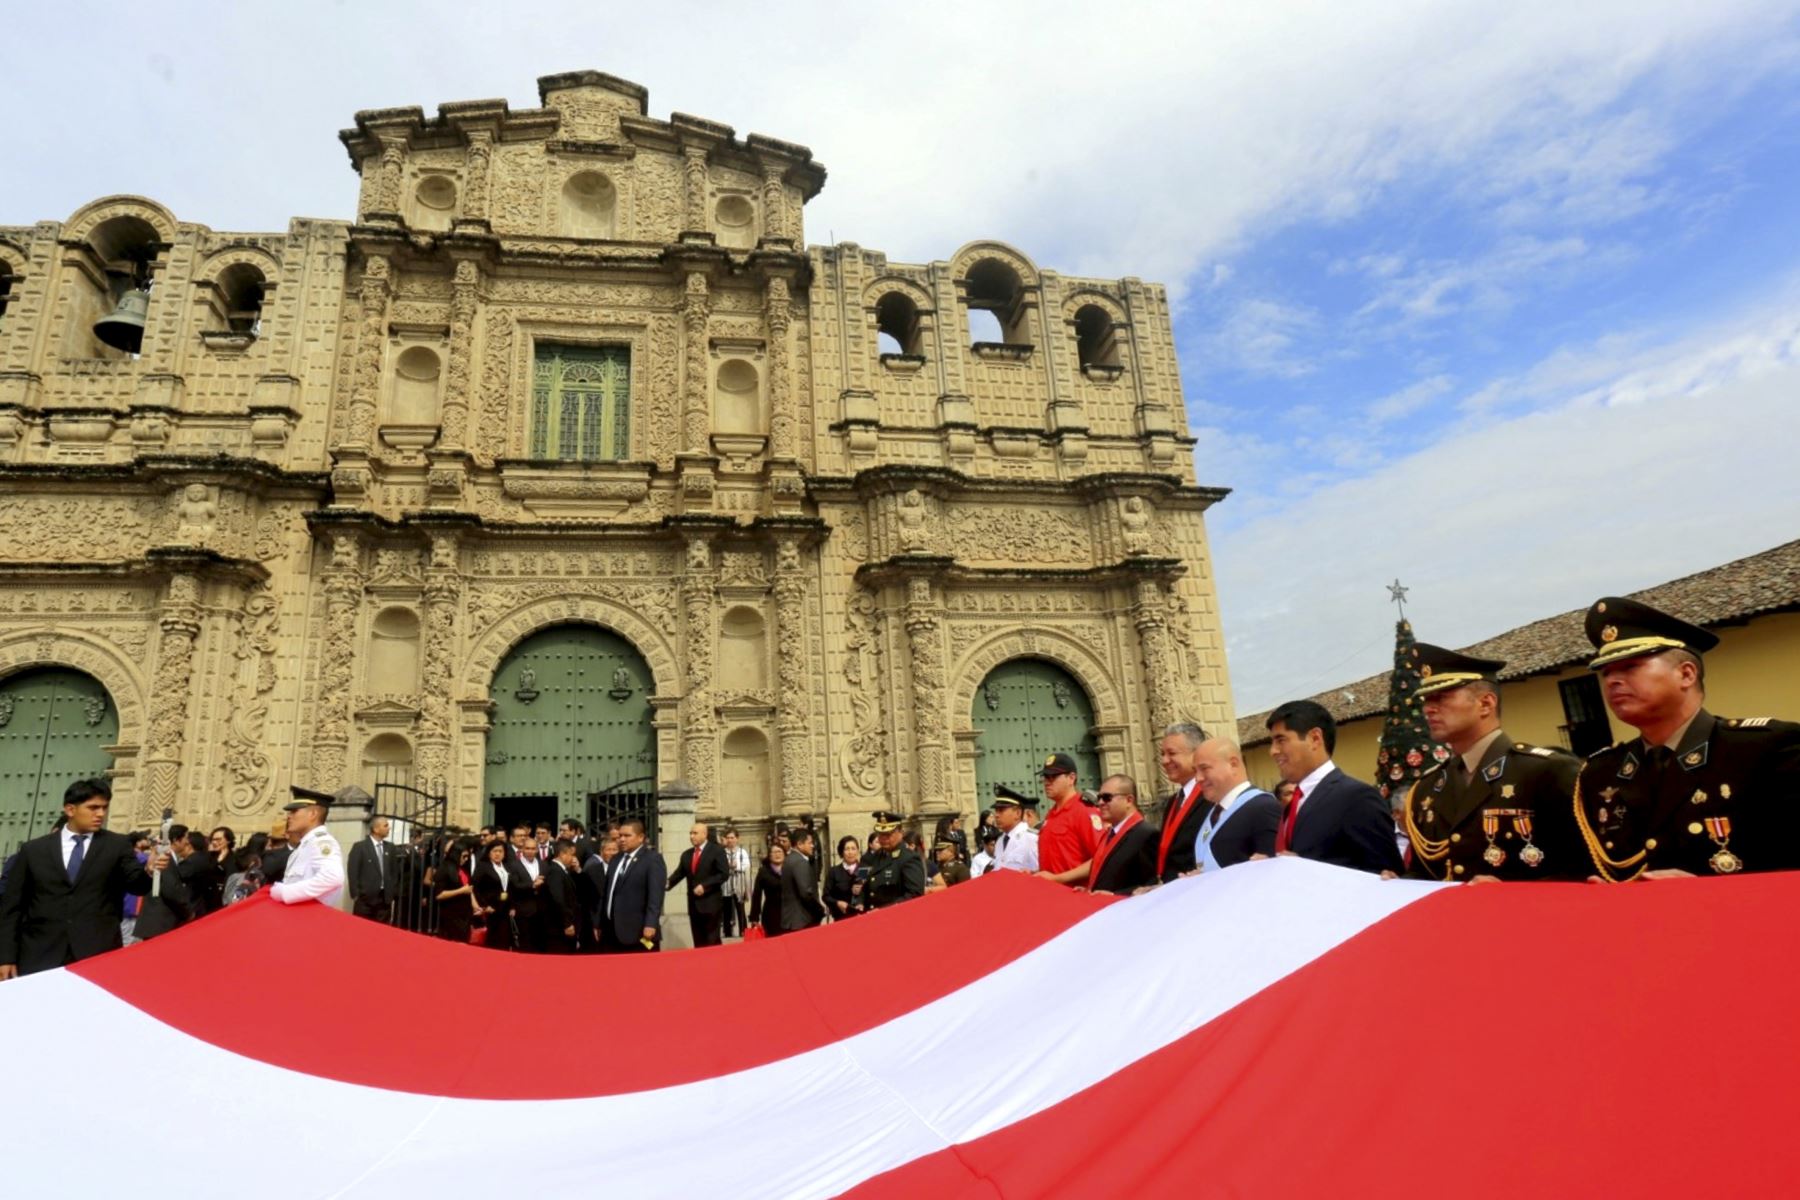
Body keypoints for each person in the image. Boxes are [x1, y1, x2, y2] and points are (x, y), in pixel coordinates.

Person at [1573, 597, 1800, 879]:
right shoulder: (1600, 772)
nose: (1612, 681)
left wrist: (1704, 891)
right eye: (1606, 673)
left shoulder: (1767, 749)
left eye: (1630, 667)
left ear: (1686, 674)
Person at [1400, 644, 1581, 882]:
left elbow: (1584, 870)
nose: (1428, 709)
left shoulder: (1546, 771)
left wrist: (1513, 892)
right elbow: (1424, 873)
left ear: (1486, 704)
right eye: (1426, 700)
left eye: (1441, 697)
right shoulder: (1427, 788)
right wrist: (1398, 884)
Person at [0, 778, 162, 979]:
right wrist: (5, 956)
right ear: (70, 810)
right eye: (93, 807)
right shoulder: (34, 850)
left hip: (97, 951)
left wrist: (149, 870)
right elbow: (12, 907)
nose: (100, 814)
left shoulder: (117, 846)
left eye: (104, 808)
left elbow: (137, 886)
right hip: (39, 953)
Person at [1264, 701, 1403, 875]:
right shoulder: (1294, 802)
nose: (1273, 751)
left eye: (1281, 740)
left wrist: (1308, 871)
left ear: (1315, 738)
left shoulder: (1357, 798)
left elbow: (1386, 876)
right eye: (1272, 742)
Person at [1189, 738, 1282, 871]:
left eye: (1204, 768)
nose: (1198, 778)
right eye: (1195, 771)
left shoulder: (1263, 807)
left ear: (1233, 764)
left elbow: (1274, 871)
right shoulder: (1212, 813)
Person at [269, 785, 350, 906]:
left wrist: (286, 892)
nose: (289, 816)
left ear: (313, 814)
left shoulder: (321, 842)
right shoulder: (305, 844)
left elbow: (333, 878)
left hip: (312, 918)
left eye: (294, 811)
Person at [1154, 722, 1213, 883]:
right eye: (1162, 754)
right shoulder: (1174, 800)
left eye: (1171, 753)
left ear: (1196, 755)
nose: (1165, 761)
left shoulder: (1211, 797)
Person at [1034, 753, 1105, 885]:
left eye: (1053, 777)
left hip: (1076, 895)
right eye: (1045, 777)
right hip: (1053, 895)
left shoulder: (1083, 811)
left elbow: (1101, 858)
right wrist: (1036, 873)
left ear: (1071, 778)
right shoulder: (1051, 814)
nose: (1047, 782)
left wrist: (1058, 879)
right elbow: (1060, 861)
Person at [598, 817, 664, 952]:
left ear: (640, 837)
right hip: (611, 931)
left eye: (627, 836)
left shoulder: (652, 859)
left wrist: (651, 924)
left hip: (638, 931)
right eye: (620, 835)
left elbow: (655, 896)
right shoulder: (615, 859)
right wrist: (599, 922)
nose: (622, 839)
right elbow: (607, 893)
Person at [1084, 774, 1158, 894]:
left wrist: (1115, 895)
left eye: (1107, 797)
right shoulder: (1110, 833)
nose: (1100, 803)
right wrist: (1089, 890)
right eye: (1099, 797)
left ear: (1129, 800)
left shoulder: (1146, 835)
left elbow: (1153, 886)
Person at [665, 820, 730, 947]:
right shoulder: (687, 855)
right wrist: (667, 884)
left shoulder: (716, 851)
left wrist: (705, 886)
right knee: (698, 940)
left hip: (711, 904)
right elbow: (679, 874)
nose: (691, 836)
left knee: (712, 940)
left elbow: (723, 874)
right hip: (694, 905)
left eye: (695, 833)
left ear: (704, 834)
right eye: (690, 833)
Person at [862, 810, 926, 909]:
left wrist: (883, 911)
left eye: (888, 834)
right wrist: (858, 903)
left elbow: (914, 895)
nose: (883, 838)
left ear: (901, 833)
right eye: (880, 834)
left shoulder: (909, 858)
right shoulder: (869, 858)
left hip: (895, 917)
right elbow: (859, 884)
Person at [348, 816, 400, 923]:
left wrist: (392, 891)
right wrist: (356, 895)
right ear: (376, 829)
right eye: (385, 825)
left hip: (384, 900)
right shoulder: (360, 847)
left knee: (382, 932)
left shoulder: (390, 847)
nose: (388, 828)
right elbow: (353, 872)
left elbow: (394, 872)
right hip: (365, 900)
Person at [539, 838, 583, 953]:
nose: (573, 858)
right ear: (562, 854)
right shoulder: (555, 871)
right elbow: (558, 899)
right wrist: (567, 923)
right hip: (558, 929)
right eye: (571, 855)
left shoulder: (563, 871)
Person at [780, 826, 826, 933]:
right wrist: (819, 909)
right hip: (802, 920)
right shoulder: (800, 862)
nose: (812, 846)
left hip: (793, 920)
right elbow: (806, 892)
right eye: (809, 843)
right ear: (800, 844)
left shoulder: (789, 859)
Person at [471, 839, 514, 950]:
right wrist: (484, 905)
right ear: (489, 852)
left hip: (504, 908)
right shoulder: (483, 866)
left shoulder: (507, 866)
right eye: (495, 851)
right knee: (492, 939)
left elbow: (511, 888)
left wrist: (512, 906)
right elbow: (475, 887)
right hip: (490, 908)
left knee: (504, 938)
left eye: (500, 851)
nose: (497, 854)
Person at [434, 838, 477, 944]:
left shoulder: (462, 869)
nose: (466, 859)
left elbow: (468, 888)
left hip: (465, 913)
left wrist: (475, 905)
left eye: (467, 856)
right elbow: (439, 894)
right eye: (464, 856)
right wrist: (460, 891)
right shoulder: (444, 869)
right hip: (452, 913)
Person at [988, 789, 1040, 873]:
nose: (996, 815)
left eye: (1001, 810)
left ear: (1018, 813)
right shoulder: (1000, 841)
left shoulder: (1032, 839)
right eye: (996, 811)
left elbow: (1042, 872)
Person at [507, 836, 544, 952]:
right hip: (523, 910)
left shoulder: (543, 864)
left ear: (537, 850)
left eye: (533, 849)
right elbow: (515, 885)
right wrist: (533, 885)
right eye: (527, 848)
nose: (530, 851)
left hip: (541, 910)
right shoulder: (514, 865)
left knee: (539, 942)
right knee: (525, 943)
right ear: (522, 849)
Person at [823, 835, 868, 919]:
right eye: (847, 849)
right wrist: (837, 903)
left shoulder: (863, 869)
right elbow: (826, 896)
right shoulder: (834, 871)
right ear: (841, 852)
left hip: (861, 916)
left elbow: (866, 892)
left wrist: (861, 903)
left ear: (858, 851)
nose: (850, 852)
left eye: (853, 848)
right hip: (841, 917)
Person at [748, 843, 785, 938]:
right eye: (774, 852)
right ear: (769, 855)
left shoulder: (790, 869)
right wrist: (754, 917)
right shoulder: (764, 872)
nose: (777, 854)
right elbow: (757, 895)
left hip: (789, 913)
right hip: (771, 914)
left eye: (779, 851)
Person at [720, 828, 751, 938]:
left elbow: (746, 865)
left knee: (740, 908)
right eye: (728, 838)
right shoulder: (722, 852)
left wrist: (736, 866)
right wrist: (727, 866)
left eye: (732, 838)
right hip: (726, 884)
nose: (730, 840)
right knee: (727, 909)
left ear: (737, 839)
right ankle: (727, 932)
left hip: (739, 884)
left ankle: (744, 931)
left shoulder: (742, 851)